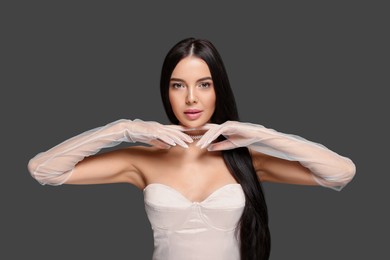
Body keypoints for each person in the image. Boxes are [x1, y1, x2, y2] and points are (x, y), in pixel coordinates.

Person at [27, 37, 356, 260]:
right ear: (166, 91)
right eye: (177, 85)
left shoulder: (246, 159)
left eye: (204, 84)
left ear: (218, 90)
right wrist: (122, 129)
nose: (191, 99)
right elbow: (43, 170)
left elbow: (340, 173)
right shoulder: (142, 159)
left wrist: (260, 134)